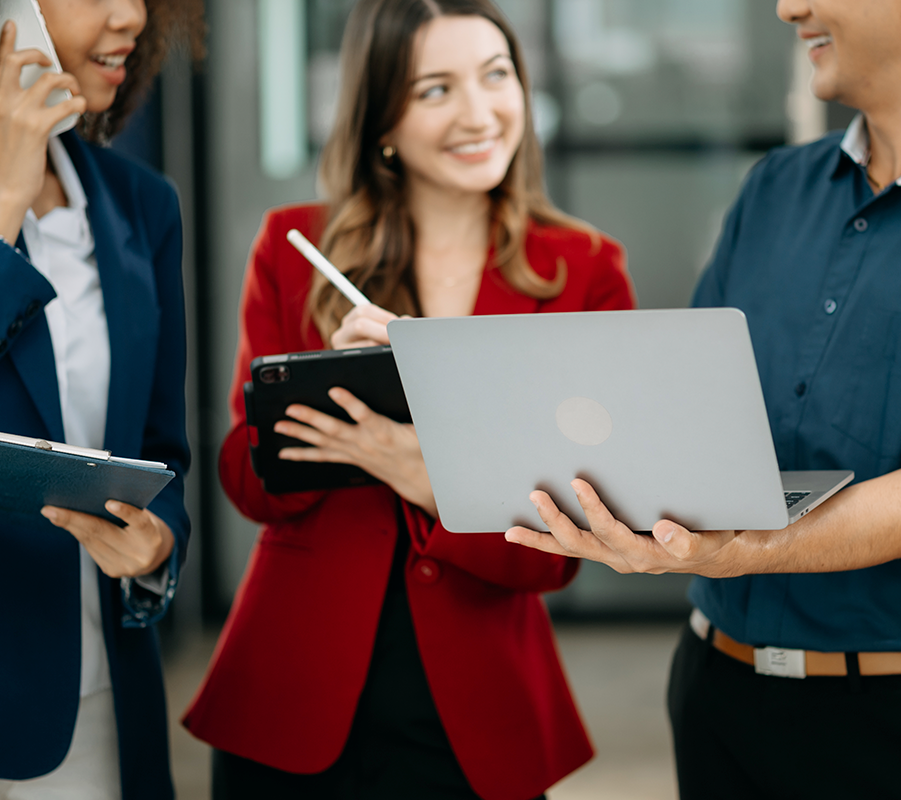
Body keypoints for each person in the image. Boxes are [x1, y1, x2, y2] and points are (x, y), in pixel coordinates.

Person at [506, 0, 901, 798]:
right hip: (719, 689)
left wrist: (741, 549)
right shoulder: (776, 187)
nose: (788, 7)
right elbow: (683, 413)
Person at [181, 1, 635, 798]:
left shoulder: (585, 271)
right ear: (383, 119)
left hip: (478, 705)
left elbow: (565, 548)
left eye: (496, 76)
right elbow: (249, 488)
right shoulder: (295, 250)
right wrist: (327, 384)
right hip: (292, 688)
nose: (478, 113)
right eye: (435, 89)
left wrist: (423, 468)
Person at [0, 1, 203, 797]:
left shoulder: (142, 203)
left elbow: (162, 454)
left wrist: (156, 548)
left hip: (100, 685)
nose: (131, 15)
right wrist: (1, 202)